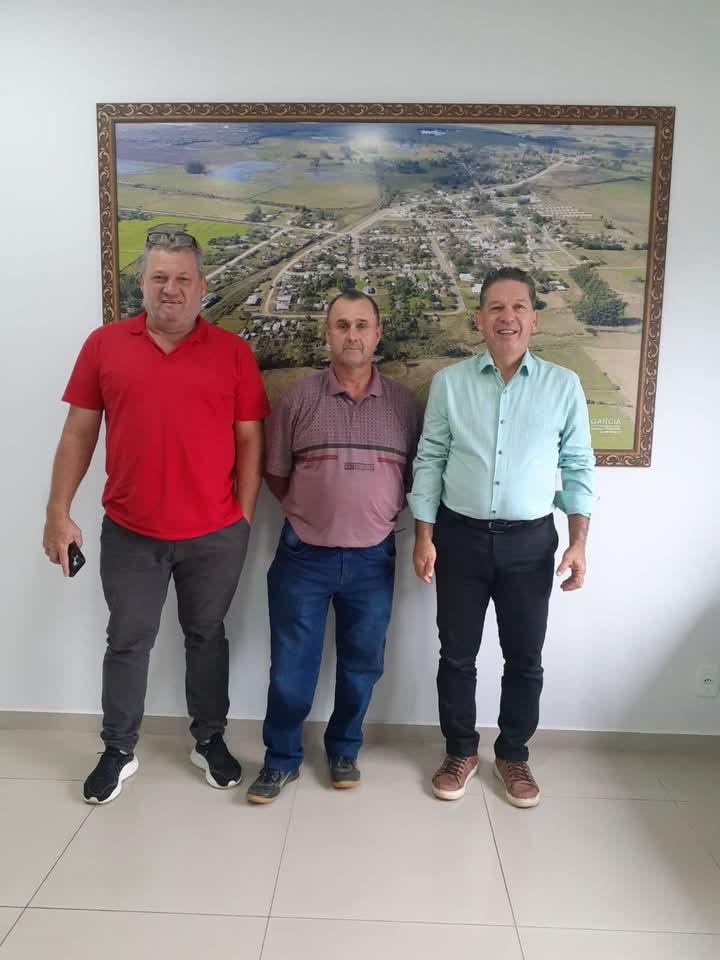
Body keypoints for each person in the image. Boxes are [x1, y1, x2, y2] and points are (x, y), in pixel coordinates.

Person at [43, 228, 269, 804]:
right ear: (141, 283)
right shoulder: (104, 345)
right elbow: (78, 433)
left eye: (182, 278)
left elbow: (250, 440)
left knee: (207, 637)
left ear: (202, 286)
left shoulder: (233, 353)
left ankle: (209, 740)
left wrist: (242, 518)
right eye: (160, 277)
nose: (171, 289)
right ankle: (118, 750)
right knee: (127, 641)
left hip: (215, 535)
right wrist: (57, 511)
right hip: (130, 534)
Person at [409, 266, 595, 808]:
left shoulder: (563, 386)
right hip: (458, 539)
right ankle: (460, 750)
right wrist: (423, 535)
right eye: (496, 307)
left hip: (531, 544)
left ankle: (513, 754)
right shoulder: (450, 384)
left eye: (518, 307)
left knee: (525, 658)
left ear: (534, 318)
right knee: (456, 656)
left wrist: (578, 542)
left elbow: (578, 466)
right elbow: (429, 460)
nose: (507, 317)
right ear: (480, 319)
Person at [247, 290, 424, 803]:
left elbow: (418, 476)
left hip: (373, 558)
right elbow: (276, 474)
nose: (352, 335)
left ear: (377, 334)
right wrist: (311, 512)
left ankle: (344, 749)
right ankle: (281, 759)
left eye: (362, 325)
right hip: (303, 556)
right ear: (327, 334)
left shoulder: (405, 406)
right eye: (342, 325)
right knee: (290, 667)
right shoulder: (298, 400)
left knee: (363, 664)